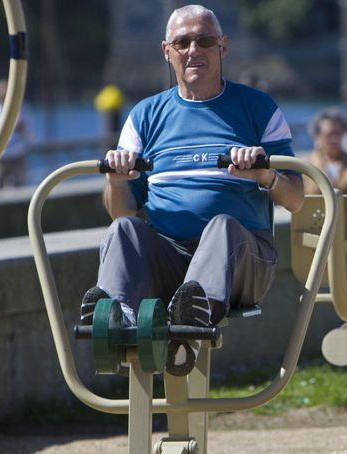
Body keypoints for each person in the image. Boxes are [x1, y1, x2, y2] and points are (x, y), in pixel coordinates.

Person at [80, 5, 304, 376]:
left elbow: (297, 199)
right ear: (167, 51)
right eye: (182, 42)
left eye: (205, 40)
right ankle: (120, 321)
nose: (193, 50)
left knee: (222, 227)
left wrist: (264, 175)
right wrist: (116, 181)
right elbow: (122, 212)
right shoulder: (145, 117)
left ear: (223, 47)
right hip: (169, 256)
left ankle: (189, 326)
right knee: (123, 231)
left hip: (241, 260)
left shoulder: (257, 108)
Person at [302, 108, 347, 195]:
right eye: (329, 135)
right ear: (317, 137)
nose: (334, 139)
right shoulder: (304, 168)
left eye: (337, 134)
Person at [0, 78, 33, 190]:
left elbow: (30, 135)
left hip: (17, 157)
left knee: (21, 190)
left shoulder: (22, 108)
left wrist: (21, 127)